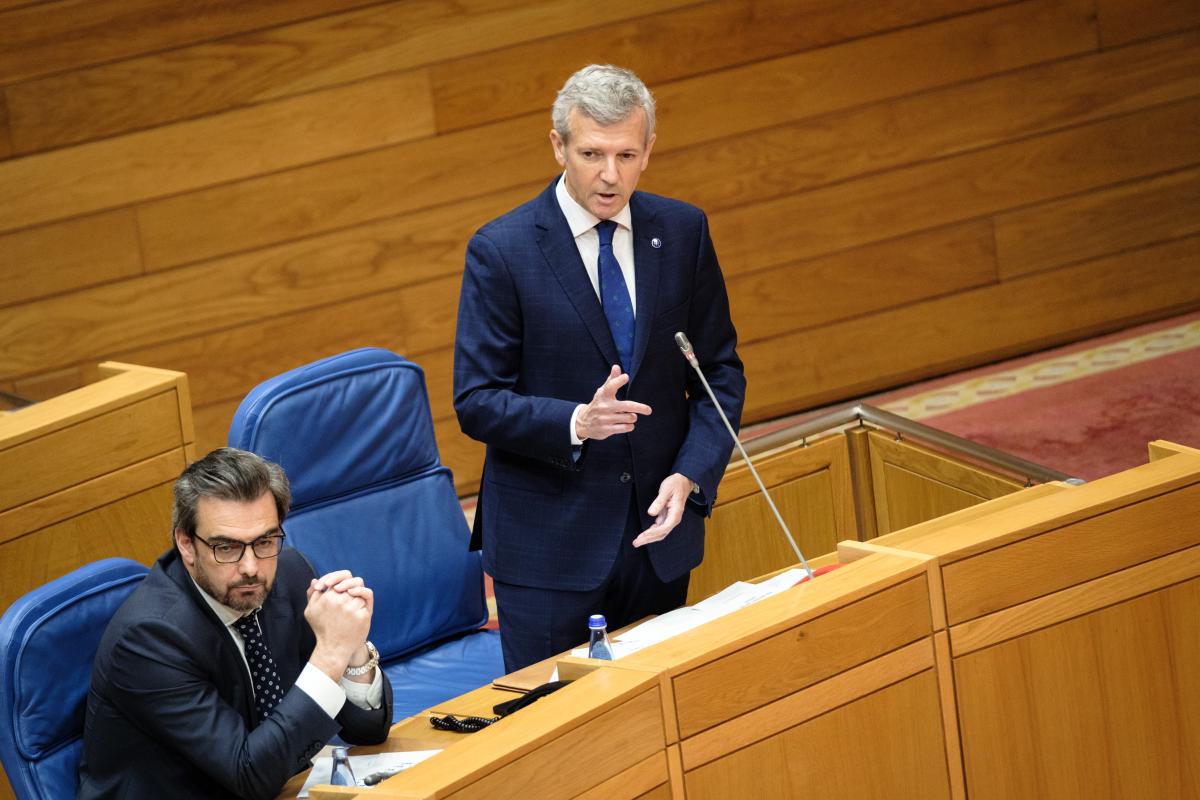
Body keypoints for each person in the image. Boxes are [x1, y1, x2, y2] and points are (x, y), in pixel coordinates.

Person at [454, 64, 746, 672]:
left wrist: (691, 475)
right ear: (558, 146)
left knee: (658, 711)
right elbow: (477, 400)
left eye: (626, 155)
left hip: (656, 538)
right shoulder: (502, 250)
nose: (610, 175)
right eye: (591, 154)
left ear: (648, 151)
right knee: (552, 719)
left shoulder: (683, 232)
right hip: (548, 552)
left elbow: (717, 373)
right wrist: (577, 422)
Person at [77, 448, 393, 800]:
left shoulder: (289, 574)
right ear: (186, 544)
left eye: (265, 541)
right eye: (226, 548)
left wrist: (352, 647)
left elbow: (368, 731)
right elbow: (249, 777)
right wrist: (330, 654)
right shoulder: (149, 639)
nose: (251, 568)